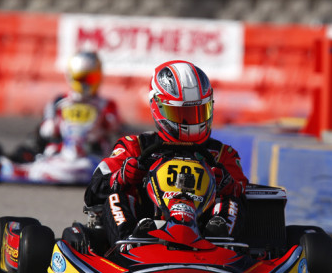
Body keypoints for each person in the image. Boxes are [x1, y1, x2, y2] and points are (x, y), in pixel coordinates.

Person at [79, 60, 248, 253]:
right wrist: (122, 177)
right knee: (117, 195)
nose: (191, 123)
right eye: (181, 114)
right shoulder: (136, 146)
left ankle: (222, 242)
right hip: (147, 229)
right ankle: (129, 243)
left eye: (197, 112)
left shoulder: (221, 154)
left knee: (232, 199)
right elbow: (93, 192)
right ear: (158, 107)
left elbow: (243, 191)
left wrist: (228, 184)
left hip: (205, 232)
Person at [11, 51, 121, 162]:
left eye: (91, 79)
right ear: (71, 76)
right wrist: (51, 127)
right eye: (81, 79)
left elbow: (115, 128)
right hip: (60, 151)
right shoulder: (59, 102)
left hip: (93, 152)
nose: (86, 84)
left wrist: (104, 123)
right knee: (31, 146)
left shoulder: (106, 104)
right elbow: (47, 129)